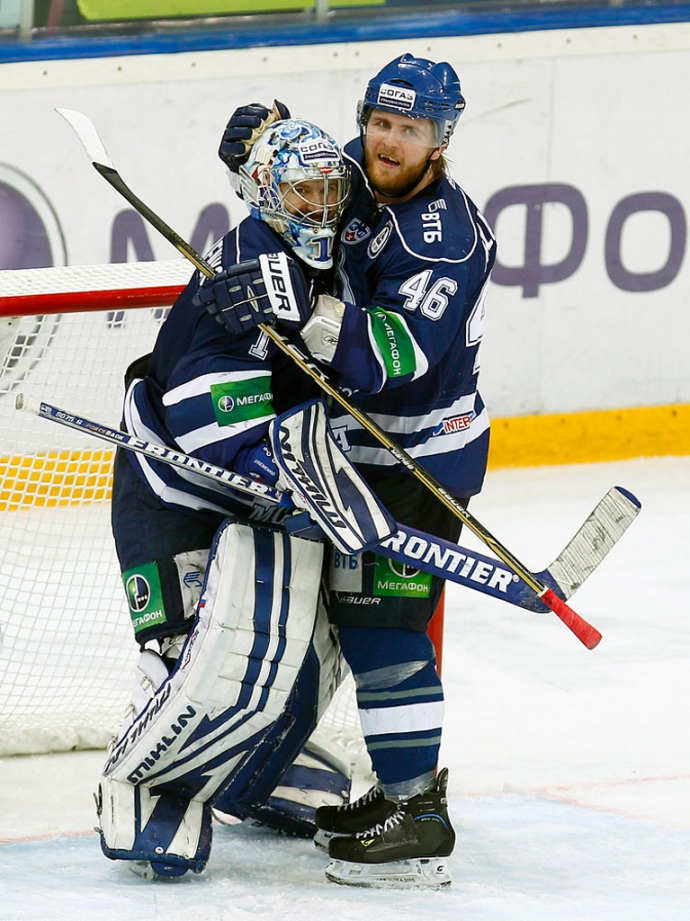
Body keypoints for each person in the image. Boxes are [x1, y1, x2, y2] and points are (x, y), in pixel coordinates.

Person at [219, 53, 497, 889]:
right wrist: (257, 152)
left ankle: (417, 813)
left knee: (384, 625)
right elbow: (296, 193)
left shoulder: (445, 241)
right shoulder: (356, 173)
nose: (387, 141)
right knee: (356, 614)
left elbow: (392, 357)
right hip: (357, 448)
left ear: (441, 138)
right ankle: (397, 792)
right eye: (380, 121)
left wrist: (299, 307)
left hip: (418, 457)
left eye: (409, 129)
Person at [97, 118, 367, 879]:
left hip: (250, 488)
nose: (323, 206)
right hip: (171, 487)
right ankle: (149, 785)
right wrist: (280, 466)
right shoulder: (249, 272)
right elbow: (204, 412)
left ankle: (249, 768)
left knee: (306, 641)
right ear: (266, 196)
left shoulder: (317, 252)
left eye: (329, 190)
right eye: (304, 192)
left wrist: (265, 120)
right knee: (184, 651)